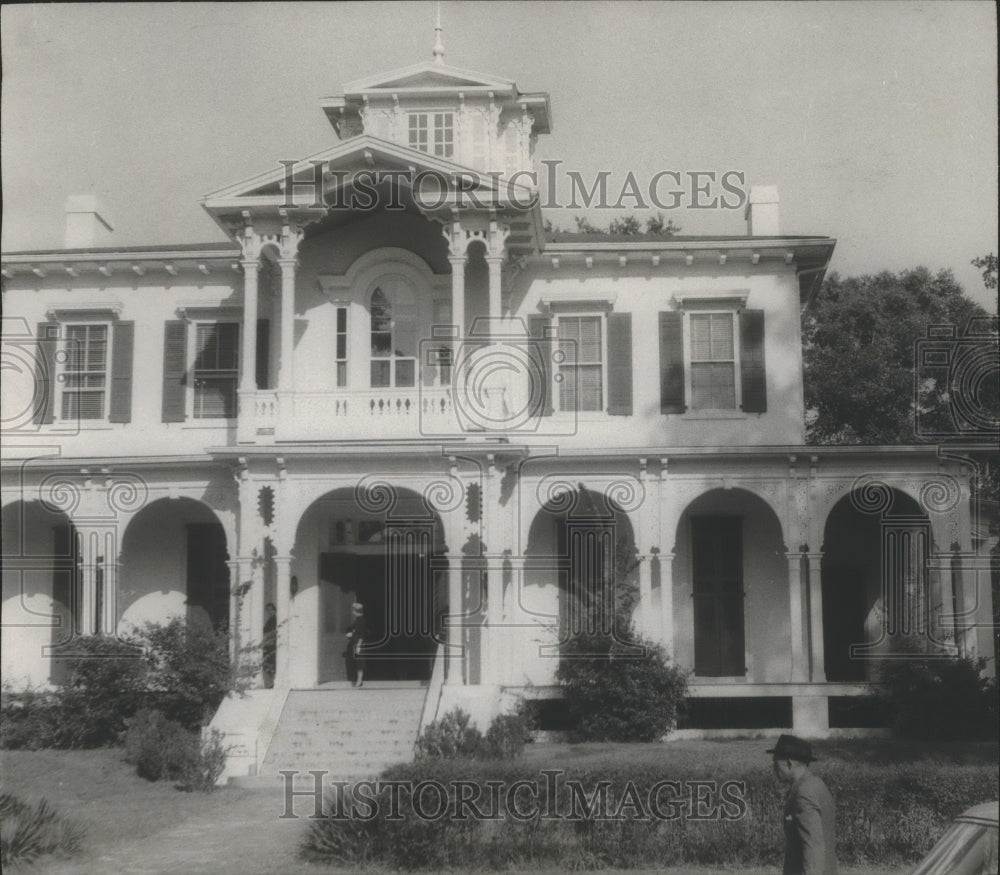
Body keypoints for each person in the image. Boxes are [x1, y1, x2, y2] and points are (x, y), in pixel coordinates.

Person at [768, 734, 838, 875]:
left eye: (775, 763)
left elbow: (813, 847)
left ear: (789, 763)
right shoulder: (816, 784)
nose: (773, 768)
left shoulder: (803, 792)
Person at [344, 602, 366, 688]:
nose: (352, 611)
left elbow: (361, 635)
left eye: (353, 610)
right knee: (356, 662)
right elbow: (355, 631)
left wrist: (359, 646)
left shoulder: (361, 621)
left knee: (359, 662)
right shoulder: (357, 620)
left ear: (356, 611)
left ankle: (359, 680)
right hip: (355, 643)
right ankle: (357, 680)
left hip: (358, 644)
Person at [262, 602, 277, 689]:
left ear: (274, 609)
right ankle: (270, 682)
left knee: (271, 662)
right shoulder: (270, 619)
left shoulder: (274, 619)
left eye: (271, 609)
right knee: (267, 663)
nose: (269, 611)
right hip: (268, 643)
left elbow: (273, 632)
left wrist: (268, 636)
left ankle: (272, 682)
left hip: (272, 643)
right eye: (268, 610)